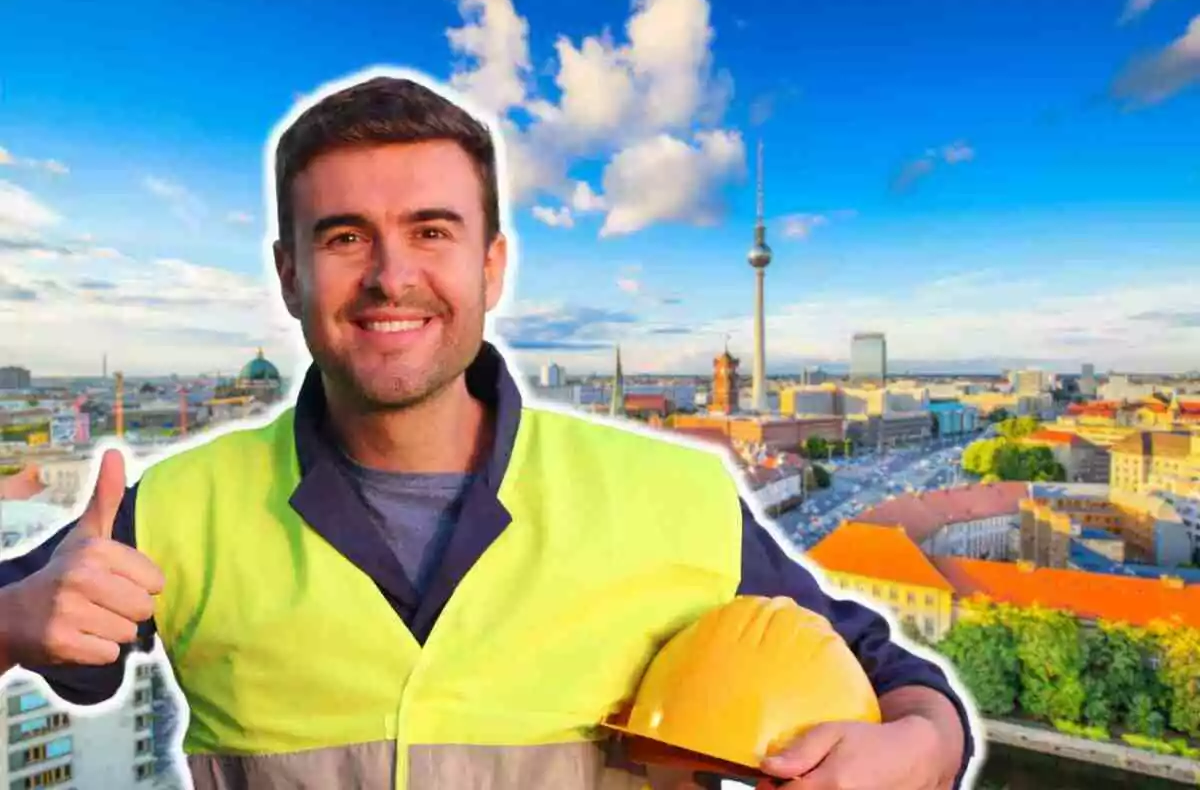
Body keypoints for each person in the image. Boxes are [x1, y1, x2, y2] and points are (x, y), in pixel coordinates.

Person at [0, 72, 977, 790]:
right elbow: (30, 616)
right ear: (289, 273)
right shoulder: (172, 505)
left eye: (432, 230)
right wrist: (14, 617)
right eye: (344, 237)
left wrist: (922, 747)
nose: (390, 276)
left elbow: (896, 685)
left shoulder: (671, 497)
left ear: (493, 265)